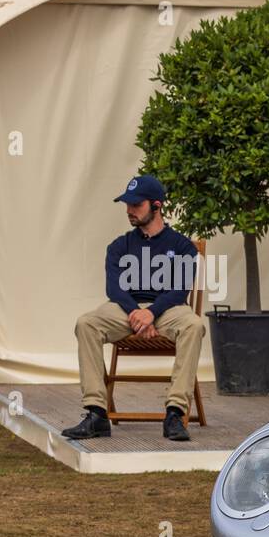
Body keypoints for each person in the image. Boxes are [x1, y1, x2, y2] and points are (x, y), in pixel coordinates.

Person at [62, 175, 204, 442]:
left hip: (168, 309)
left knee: (194, 325)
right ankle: (96, 414)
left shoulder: (182, 246)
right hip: (126, 310)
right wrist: (136, 313)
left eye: (136, 205)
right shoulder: (119, 246)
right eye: (127, 204)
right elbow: (114, 289)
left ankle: (175, 413)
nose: (129, 210)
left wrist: (151, 313)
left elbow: (179, 290)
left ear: (156, 205)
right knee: (87, 323)